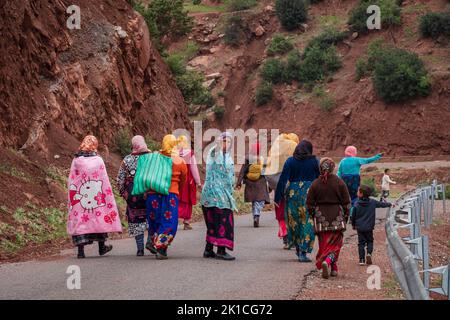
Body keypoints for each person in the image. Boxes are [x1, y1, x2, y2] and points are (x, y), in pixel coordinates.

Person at [67, 135, 122, 259]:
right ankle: (102, 248)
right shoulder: (98, 160)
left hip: (80, 198)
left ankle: (81, 252)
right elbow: (104, 180)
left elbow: (72, 179)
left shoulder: (77, 160)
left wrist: (73, 195)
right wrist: (106, 196)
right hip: (96, 196)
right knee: (99, 218)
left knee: (80, 220)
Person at [274, 140, 320, 262]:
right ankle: (303, 252)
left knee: (295, 222)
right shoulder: (314, 161)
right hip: (309, 194)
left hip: (292, 194)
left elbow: (283, 180)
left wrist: (277, 198)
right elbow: (319, 179)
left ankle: (298, 248)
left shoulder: (290, 161)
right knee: (308, 222)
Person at [306, 158, 351, 279]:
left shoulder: (315, 183)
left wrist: (313, 214)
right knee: (336, 245)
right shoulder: (340, 182)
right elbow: (347, 202)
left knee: (324, 245)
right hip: (337, 217)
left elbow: (309, 203)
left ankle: (330, 265)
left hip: (321, 219)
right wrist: (346, 216)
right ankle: (331, 264)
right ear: (332, 168)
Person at [146, 134, 187, 260]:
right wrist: (176, 191)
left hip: (152, 196)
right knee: (169, 222)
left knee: (155, 220)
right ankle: (161, 248)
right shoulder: (179, 161)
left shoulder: (153, 158)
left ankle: (153, 242)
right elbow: (183, 180)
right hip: (170, 196)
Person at [201, 132, 237, 261]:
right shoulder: (215, 152)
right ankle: (221, 250)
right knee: (223, 222)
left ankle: (208, 250)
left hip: (219, 194)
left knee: (214, 222)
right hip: (216, 194)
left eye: (229, 142)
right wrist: (219, 143)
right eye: (225, 141)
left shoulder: (227, 156)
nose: (227, 144)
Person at [263, 133, 299, 248]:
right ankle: (292, 238)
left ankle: (285, 236)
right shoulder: (294, 146)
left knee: (281, 212)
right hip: (291, 187)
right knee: (293, 213)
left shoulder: (276, 145)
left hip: (277, 185)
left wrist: (270, 186)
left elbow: (269, 165)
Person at [117, 135, 151, 256]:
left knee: (136, 220)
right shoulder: (151, 158)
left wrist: (123, 193)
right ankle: (150, 242)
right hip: (148, 192)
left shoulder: (127, 159)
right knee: (151, 217)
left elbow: (120, 178)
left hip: (133, 195)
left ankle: (140, 249)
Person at [352, 185, 392, 265]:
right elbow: (381, 204)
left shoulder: (356, 204)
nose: (357, 192)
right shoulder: (372, 202)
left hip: (360, 228)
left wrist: (353, 225)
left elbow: (353, 216)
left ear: (361, 194)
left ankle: (362, 260)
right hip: (369, 227)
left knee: (361, 243)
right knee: (370, 241)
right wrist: (389, 204)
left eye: (358, 191)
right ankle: (369, 254)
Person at [236, 141, 270, 228]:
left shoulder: (248, 158)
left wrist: (239, 183)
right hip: (260, 182)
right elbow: (266, 172)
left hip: (250, 183)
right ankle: (256, 215)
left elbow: (243, 170)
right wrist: (270, 184)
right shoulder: (262, 159)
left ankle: (255, 216)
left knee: (254, 201)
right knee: (260, 200)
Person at [177, 135, 201, 230]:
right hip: (188, 181)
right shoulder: (190, 153)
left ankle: (174, 217)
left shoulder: (174, 153)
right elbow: (193, 168)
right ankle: (186, 222)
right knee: (188, 200)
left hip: (176, 180)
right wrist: (198, 181)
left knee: (177, 199)